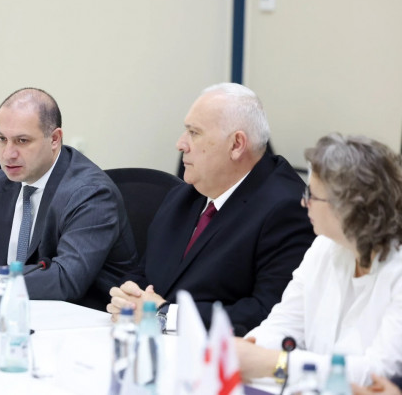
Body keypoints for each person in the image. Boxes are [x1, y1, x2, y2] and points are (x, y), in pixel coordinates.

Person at [107, 82, 314, 335]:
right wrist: (128, 298)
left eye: (194, 133)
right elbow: (144, 272)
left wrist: (165, 315)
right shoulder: (184, 196)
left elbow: (269, 313)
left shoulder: (287, 208)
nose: (181, 144)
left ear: (236, 145)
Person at [0, 88, 138, 310]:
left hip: (85, 317)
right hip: (13, 312)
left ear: (54, 139)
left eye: (22, 141)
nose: (8, 154)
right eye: (2, 139)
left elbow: (66, 279)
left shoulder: (90, 194)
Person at [235, 134, 402, 386]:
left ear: (349, 206)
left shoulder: (397, 270)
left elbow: (379, 374)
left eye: (312, 194)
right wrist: (248, 349)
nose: (304, 202)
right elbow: (283, 324)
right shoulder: (324, 246)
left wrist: (276, 364)